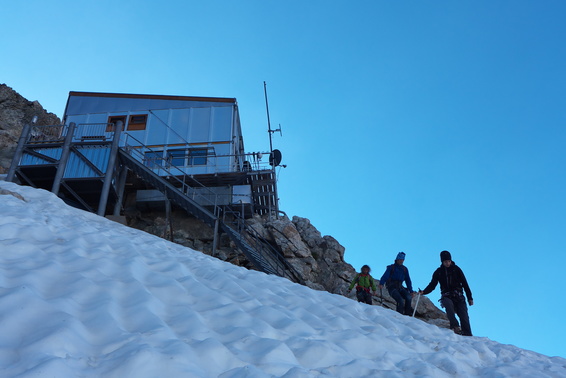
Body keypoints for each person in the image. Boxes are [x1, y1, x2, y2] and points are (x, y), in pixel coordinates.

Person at [419, 250, 474, 336]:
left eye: (449, 261)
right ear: (442, 261)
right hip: (447, 295)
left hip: (459, 295)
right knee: (448, 306)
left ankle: (468, 335)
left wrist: (470, 298)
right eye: (445, 261)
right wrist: (424, 292)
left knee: (464, 316)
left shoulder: (457, 269)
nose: (448, 263)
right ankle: (455, 326)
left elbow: (465, 283)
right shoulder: (439, 272)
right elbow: (432, 285)